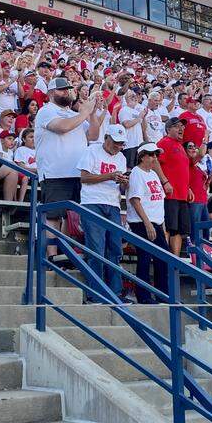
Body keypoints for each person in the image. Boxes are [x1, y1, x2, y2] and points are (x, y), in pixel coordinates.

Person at [35, 77, 101, 256]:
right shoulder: (46, 110)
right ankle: (52, 256)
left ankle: (64, 254)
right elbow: (62, 127)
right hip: (55, 172)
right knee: (53, 216)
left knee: (71, 216)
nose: (66, 92)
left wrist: (92, 113)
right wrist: (84, 113)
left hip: (77, 173)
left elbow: (93, 135)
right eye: (62, 89)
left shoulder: (74, 114)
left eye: (68, 89)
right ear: (50, 93)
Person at [76, 124, 129, 302]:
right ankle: (96, 293)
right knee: (96, 249)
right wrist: (110, 176)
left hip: (113, 203)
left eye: (121, 143)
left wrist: (124, 182)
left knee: (115, 248)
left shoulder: (121, 157)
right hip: (92, 202)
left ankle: (115, 292)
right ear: (106, 138)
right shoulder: (92, 151)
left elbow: (120, 186)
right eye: (115, 142)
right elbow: (84, 177)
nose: (118, 146)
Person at [127, 143, 169, 304]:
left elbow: (158, 202)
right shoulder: (136, 173)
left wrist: (161, 225)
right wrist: (147, 223)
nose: (155, 158)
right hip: (142, 222)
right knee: (144, 258)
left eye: (156, 155)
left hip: (156, 221)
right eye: (151, 155)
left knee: (162, 259)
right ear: (142, 156)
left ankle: (162, 295)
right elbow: (135, 200)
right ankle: (143, 296)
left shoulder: (153, 174)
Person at [157, 117, 192, 257]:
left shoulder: (180, 145)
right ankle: (165, 258)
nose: (181, 129)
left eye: (182, 127)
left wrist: (187, 188)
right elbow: (155, 163)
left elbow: (181, 169)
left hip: (181, 194)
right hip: (170, 194)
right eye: (177, 126)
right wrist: (165, 182)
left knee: (178, 230)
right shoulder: (164, 142)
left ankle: (175, 260)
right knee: (168, 227)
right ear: (168, 129)